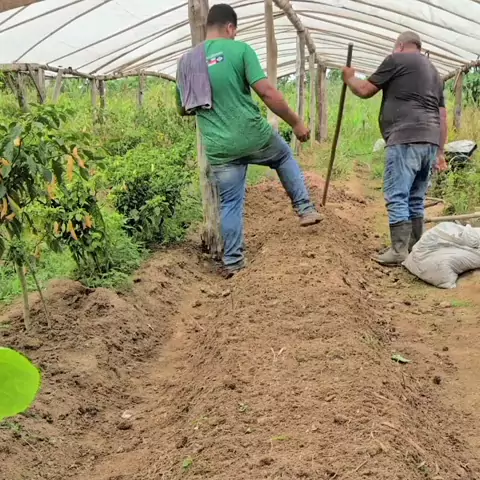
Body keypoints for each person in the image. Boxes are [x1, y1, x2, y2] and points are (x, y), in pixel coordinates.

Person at [177, 3, 321, 276]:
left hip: (219, 148)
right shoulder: (240, 50)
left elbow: (183, 108)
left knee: (230, 203)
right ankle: (305, 208)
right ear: (230, 28)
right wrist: (296, 122)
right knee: (282, 156)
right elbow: (266, 92)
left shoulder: (186, 62)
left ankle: (233, 262)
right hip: (253, 135)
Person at [343, 31, 447, 265]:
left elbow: (365, 90)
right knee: (416, 197)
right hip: (430, 141)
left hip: (405, 138)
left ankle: (399, 251)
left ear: (399, 46)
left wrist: (349, 78)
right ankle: (415, 248)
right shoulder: (434, 71)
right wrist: (440, 151)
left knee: (397, 195)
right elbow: (442, 115)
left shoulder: (396, 59)